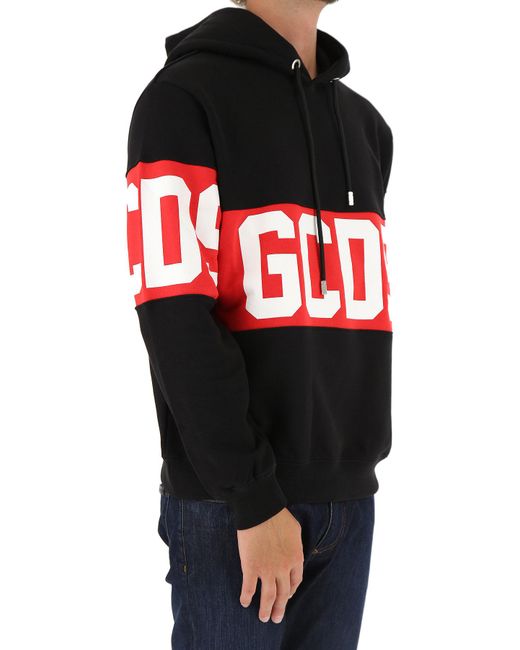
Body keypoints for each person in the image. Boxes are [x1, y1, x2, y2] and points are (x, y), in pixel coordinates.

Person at [125, 0, 394, 647]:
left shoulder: (365, 126)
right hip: (232, 510)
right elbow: (174, 315)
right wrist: (253, 498)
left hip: (349, 501)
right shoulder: (183, 100)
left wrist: (350, 481)